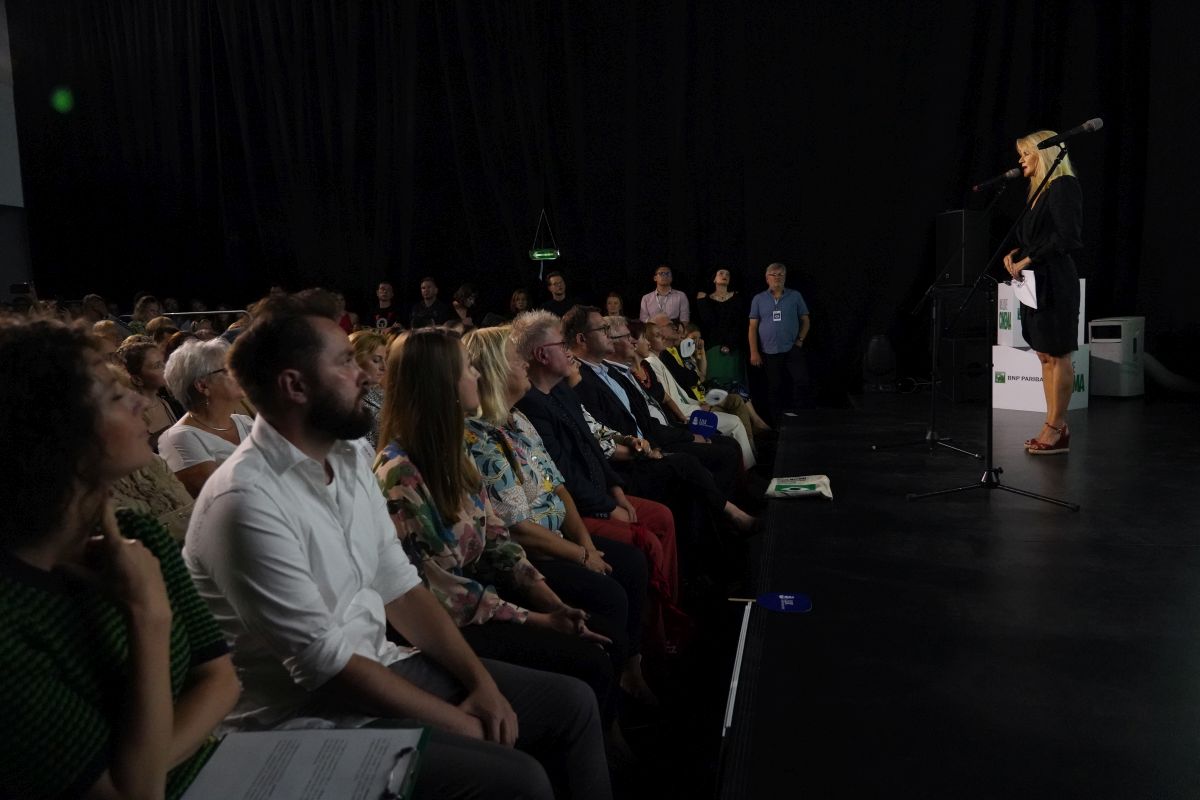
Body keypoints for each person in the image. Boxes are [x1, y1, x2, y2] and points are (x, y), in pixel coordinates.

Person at [183, 292, 610, 800]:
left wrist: (482, 685)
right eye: (346, 362)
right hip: (301, 716)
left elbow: (401, 588)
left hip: (380, 662)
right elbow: (326, 667)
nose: (367, 376)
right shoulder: (245, 500)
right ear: (295, 385)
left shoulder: (345, 457)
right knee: (517, 778)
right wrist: (460, 723)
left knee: (572, 703)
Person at [0, 315, 239, 800]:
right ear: (52, 431)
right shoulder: (11, 619)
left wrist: (140, 764)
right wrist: (148, 616)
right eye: (114, 397)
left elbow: (221, 679)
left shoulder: (137, 533)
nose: (141, 403)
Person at [374, 328, 624, 730]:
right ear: (442, 385)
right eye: (467, 368)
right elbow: (447, 595)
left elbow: (498, 542)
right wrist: (539, 619)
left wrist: (551, 603)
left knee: (601, 632)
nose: (476, 374)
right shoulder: (400, 474)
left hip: (481, 597)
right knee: (588, 661)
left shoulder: (453, 453)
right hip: (446, 626)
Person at [463, 325, 657, 703]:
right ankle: (612, 695)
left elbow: (557, 486)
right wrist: (582, 555)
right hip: (532, 554)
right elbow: (519, 529)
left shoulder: (518, 420)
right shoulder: (478, 437)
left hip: (561, 539)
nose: (524, 363)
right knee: (610, 593)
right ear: (494, 371)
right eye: (515, 358)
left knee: (632, 563)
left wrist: (586, 545)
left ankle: (630, 670)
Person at [511, 310, 686, 653]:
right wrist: (608, 507)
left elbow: (593, 446)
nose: (569, 352)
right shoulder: (532, 405)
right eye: (562, 345)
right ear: (542, 354)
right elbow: (563, 474)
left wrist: (616, 491)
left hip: (598, 495)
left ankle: (667, 616)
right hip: (581, 507)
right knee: (644, 545)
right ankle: (650, 641)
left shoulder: (561, 392)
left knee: (663, 516)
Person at [1007, 130, 1084, 455]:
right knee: (1044, 354)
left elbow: (1067, 236)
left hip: (1055, 281)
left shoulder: (1063, 185)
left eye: (1026, 153)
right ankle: (1054, 426)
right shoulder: (1036, 192)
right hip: (1035, 282)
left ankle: (1056, 426)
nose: (1021, 160)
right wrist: (1016, 253)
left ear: (1045, 154)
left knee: (1058, 352)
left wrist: (1029, 258)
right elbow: (1037, 237)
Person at [159, 338, 254, 497]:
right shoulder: (180, 438)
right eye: (230, 369)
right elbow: (223, 497)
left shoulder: (244, 422)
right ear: (202, 386)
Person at [748, 262, 812, 422]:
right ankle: (776, 420)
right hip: (769, 350)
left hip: (792, 347)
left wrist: (800, 340)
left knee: (801, 381)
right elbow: (752, 327)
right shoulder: (758, 299)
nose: (777, 277)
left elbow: (806, 320)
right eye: (773, 275)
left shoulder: (795, 296)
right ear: (767, 278)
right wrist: (754, 352)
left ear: (785, 277)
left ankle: (800, 416)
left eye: (780, 274)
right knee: (774, 386)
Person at [115, 339, 180, 449]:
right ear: (137, 379)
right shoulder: (129, 414)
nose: (166, 368)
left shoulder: (173, 404)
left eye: (163, 362)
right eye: (157, 366)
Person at [695, 267, 750, 386]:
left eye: (727, 274)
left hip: (734, 346)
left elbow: (739, 323)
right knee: (714, 385)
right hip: (713, 346)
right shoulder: (706, 300)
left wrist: (729, 344)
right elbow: (709, 323)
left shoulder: (737, 298)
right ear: (714, 279)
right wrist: (702, 302)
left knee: (734, 385)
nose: (725, 275)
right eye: (721, 273)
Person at [349, 329, 388, 447]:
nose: (384, 367)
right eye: (376, 360)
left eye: (385, 359)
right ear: (356, 360)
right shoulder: (347, 403)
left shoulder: (382, 393)